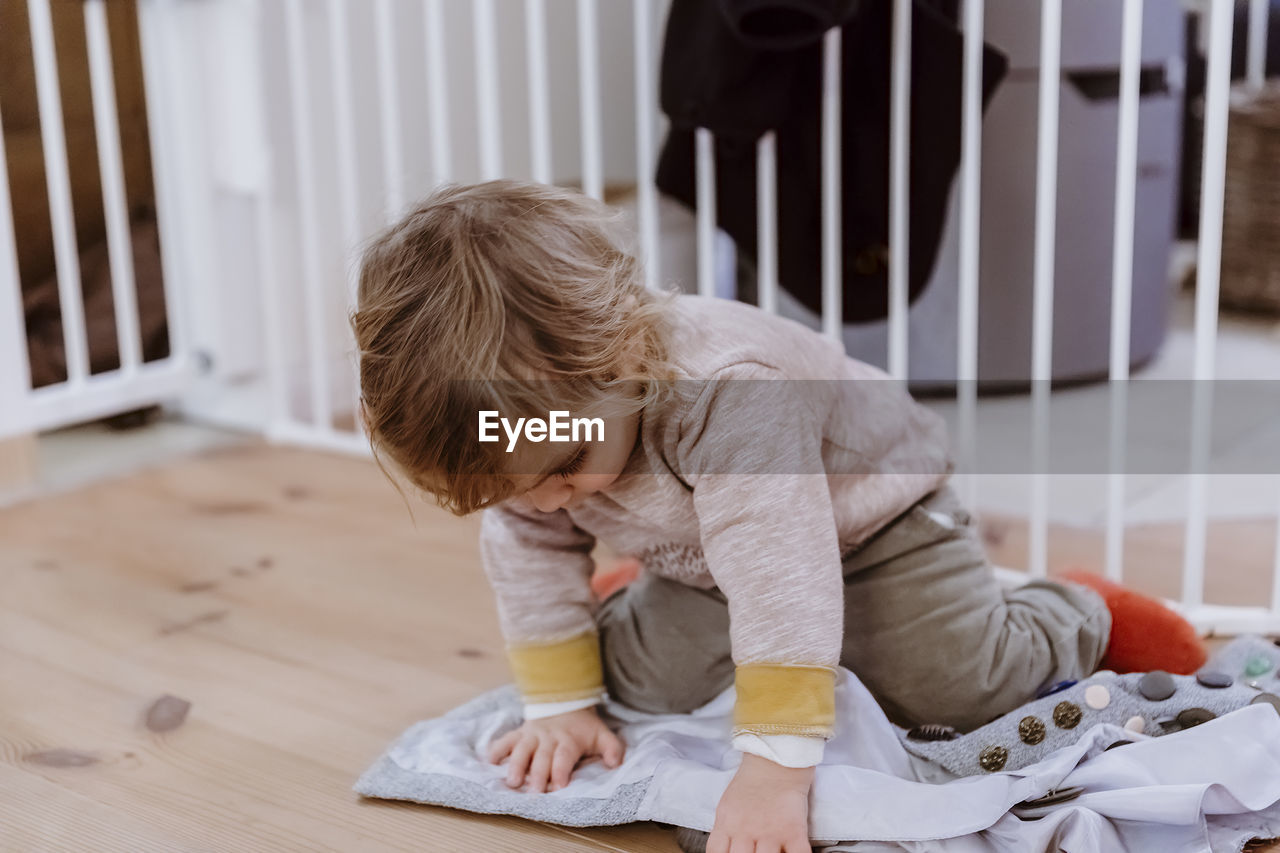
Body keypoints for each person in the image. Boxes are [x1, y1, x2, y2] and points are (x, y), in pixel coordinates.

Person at [351, 180, 1206, 853]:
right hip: (702, 556)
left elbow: (778, 573)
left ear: (622, 356)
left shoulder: (731, 390)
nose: (544, 504)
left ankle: (1074, 610)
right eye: (513, 489)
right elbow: (533, 546)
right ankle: (642, 597)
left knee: (951, 684)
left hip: (879, 522)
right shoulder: (537, 452)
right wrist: (560, 703)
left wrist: (771, 771)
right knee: (633, 689)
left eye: (565, 467)